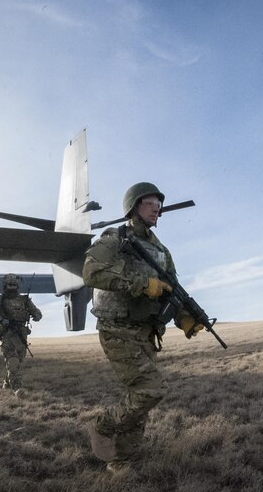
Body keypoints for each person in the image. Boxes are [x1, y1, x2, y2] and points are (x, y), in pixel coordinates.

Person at [82, 182, 203, 473]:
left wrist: (184, 317)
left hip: (146, 333)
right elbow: (91, 272)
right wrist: (141, 283)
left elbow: (172, 288)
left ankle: (122, 459)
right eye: (150, 203)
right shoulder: (114, 238)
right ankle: (102, 425)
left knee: (140, 398)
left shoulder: (161, 250)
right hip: (118, 329)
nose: (157, 209)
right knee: (150, 390)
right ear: (134, 206)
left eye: (159, 204)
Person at [0, 273, 42, 397]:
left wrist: (37, 315)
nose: (12, 287)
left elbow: (36, 311)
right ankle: (17, 388)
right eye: (10, 285)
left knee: (18, 361)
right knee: (13, 361)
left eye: (14, 285)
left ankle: (7, 383)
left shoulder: (24, 300)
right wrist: (0, 319)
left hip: (21, 335)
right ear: (5, 285)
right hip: (7, 335)